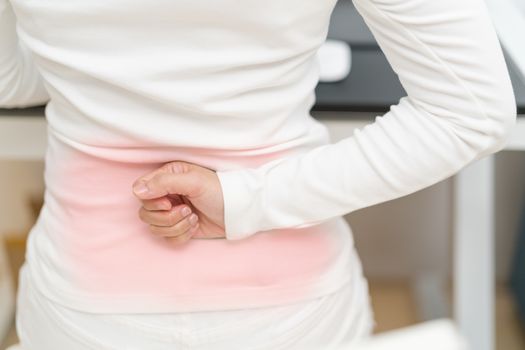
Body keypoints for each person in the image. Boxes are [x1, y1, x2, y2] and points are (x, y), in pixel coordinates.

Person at [0, 0, 516, 349]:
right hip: (290, 312)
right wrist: (246, 199)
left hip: (85, 306)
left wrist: (96, 64)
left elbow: (9, 77)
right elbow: (470, 109)